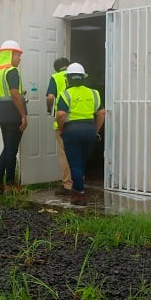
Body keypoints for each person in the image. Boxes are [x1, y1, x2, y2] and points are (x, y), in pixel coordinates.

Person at [55, 62, 105, 205]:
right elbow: (101, 114)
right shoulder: (94, 93)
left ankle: (79, 194)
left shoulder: (65, 94)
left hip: (72, 130)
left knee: (75, 163)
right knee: (82, 162)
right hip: (89, 129)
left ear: (68, 79)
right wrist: (95, 130)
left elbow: (60, 115)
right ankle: (78, 190)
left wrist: (61, 128)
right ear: (83, 78)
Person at [0, 39, 27, 193]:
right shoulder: (12, 71)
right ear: (11, 55)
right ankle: (10, 184)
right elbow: (15, 95)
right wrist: (23, 115)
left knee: (7, 148)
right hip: (13, 115)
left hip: (2, 114)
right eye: (18, 55)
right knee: (12, 151)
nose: (19, 59)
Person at [46, 57, 73, 195]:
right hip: (80, 120)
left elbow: (50, 97)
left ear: (56, 69)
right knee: (78, 153)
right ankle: (80, 181)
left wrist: (49, 109)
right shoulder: (77, 76)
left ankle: (68, 185)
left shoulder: (56, 77)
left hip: (62, 121)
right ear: (69, 65)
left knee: (64, 153)